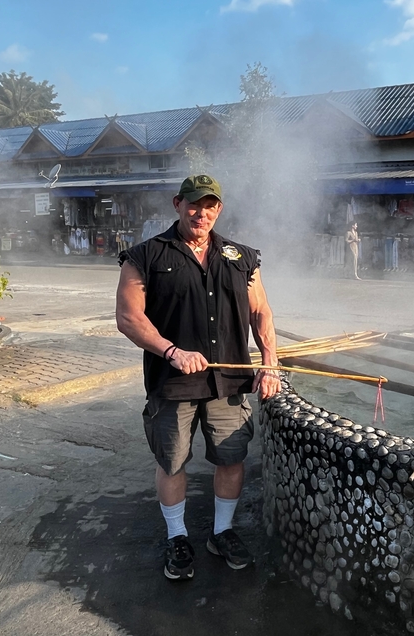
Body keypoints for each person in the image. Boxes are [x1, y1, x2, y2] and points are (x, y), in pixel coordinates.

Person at [115, 174, 280, 582]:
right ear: (177, 204)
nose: (200, 213)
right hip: (173, 383)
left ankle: (221, 532)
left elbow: (261, 312)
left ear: (218, 209)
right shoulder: (146, 256)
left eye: (209, 206)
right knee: (172, 462)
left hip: (228, 381)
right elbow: (128, 317)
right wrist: (172, 351)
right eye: (193, 204)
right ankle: (177, 536)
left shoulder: (242, 258)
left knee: (232, 457)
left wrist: (270, 360)